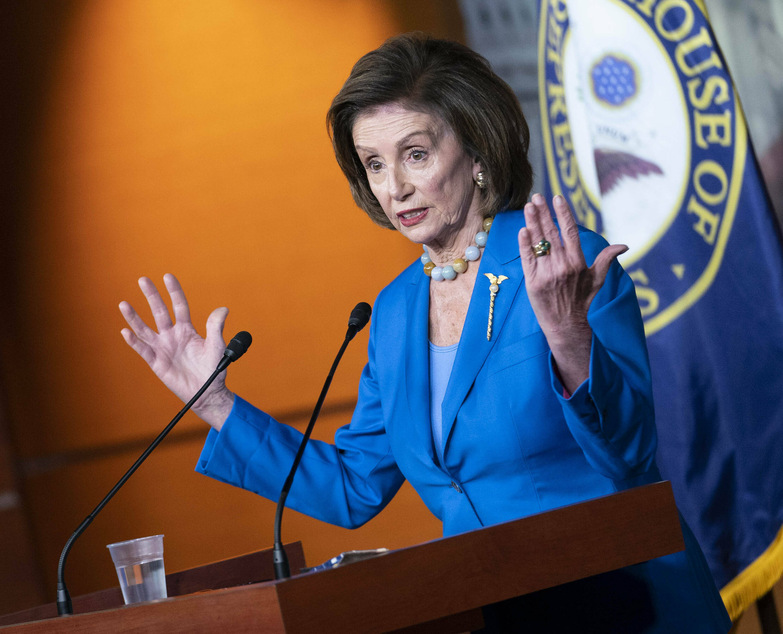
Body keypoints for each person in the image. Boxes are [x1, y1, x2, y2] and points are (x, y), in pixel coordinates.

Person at [118, 34, 731, 632]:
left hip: (622, 598)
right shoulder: (393, 313)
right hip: (494, 608)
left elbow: (630, 457)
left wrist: (570, 335)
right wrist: (217, 402)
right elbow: (353, 487)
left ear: (478, 151)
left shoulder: (561, 264)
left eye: (416, 154)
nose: (395, 187)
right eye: (374, 165)